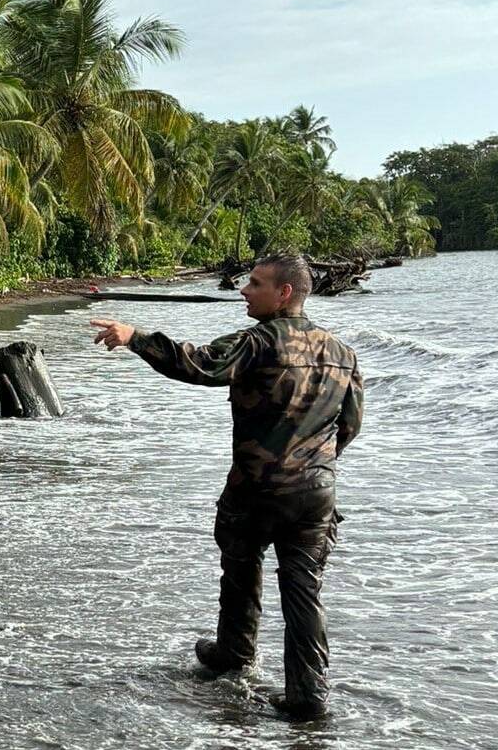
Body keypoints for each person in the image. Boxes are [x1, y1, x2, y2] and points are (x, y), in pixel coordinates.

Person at [90, 253, 364, 721]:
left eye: (255, 284)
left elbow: (199, 365)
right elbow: (351, 425)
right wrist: (315, 462)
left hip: (257, 485)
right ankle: (309, 694)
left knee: (241, 570)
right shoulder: (341, 352)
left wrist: (135, 338)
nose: (243, 290)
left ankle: (235, 653)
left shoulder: (258, 341)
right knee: (304, 592)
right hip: (316, 489)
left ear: (284, 294)